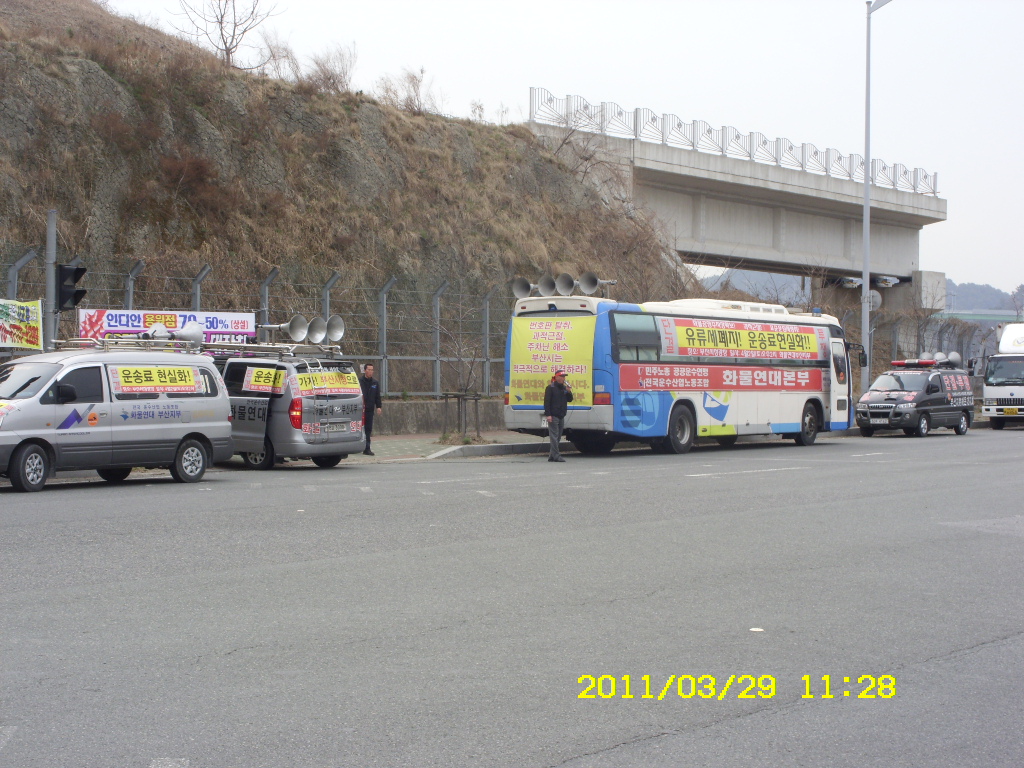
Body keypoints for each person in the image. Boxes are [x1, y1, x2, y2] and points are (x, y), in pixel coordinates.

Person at [543, 369, 573, 462]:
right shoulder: (550, 388)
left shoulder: (564, 388)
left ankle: (552, 456)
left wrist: (569, 391)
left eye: (564, 377)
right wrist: (548, 415)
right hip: (553, 415)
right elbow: (547, 402)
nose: (563, 378)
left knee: (558, 436)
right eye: (562, 376)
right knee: (554, 436)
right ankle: (556, 456)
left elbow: (570, 399)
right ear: (556, 377)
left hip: (561, 415)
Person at [360, 363, 383, 455]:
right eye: (369, 369)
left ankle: (367, 448)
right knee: (359, 428)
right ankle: (357, 446)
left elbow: (377, 396)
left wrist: (378, 406)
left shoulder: (375, 383)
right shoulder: (359, 381)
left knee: (368, 429)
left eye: (372, 370)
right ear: (365, 370)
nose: (370, 371)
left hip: (369, 409)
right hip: (360, 409)